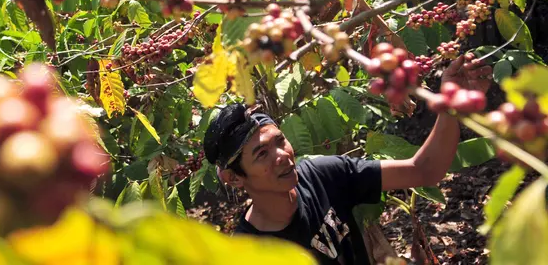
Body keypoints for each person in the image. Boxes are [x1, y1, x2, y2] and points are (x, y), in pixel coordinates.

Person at [203, 54, 493, 265]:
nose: (282, 156)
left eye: (280, 141)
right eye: (262, 154)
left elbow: (424, 170)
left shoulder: (320, 174)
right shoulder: (248, 253)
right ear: (234, 178)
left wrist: (452, 104)